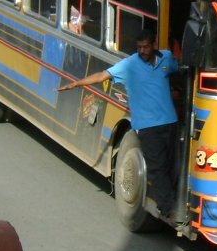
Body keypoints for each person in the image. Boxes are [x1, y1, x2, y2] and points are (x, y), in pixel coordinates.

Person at [57, 29, 179, 219]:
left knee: (171, 165)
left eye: (146, 47)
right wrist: (76, 84)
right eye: (139, 47)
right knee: (157, 168)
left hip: (170, 123)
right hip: (147, 127)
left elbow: (179, 70)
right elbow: (101, 76)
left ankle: (169, 199)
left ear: (154, 45)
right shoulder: (130, 65)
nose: (142, 51)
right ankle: (167, 208)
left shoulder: (167, 58)